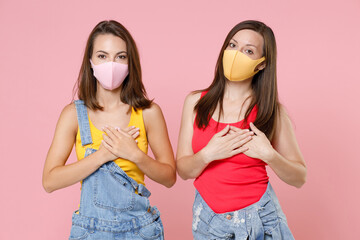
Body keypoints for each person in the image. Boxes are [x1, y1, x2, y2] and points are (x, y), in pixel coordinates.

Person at [42, 20, 176, 240]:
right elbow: (49, 181)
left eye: (120, 57)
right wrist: (104, 155)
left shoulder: (148, 112)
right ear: (90, 62)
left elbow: (169, 178)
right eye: (102, 56)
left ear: (130, 63)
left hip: (140, 231)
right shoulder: (73, 115)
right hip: (90, 231)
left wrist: (134, 154)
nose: (111, 64)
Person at [176, 20, 306, 239]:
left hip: (259, 220)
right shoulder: (195, 102)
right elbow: (184, 170)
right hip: (208, 220)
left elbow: (299, 178)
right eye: (232, 45)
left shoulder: (272, 112)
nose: (236, 54)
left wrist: (270, 155)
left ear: (262, 64)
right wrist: (209, 154)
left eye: (248, 50)